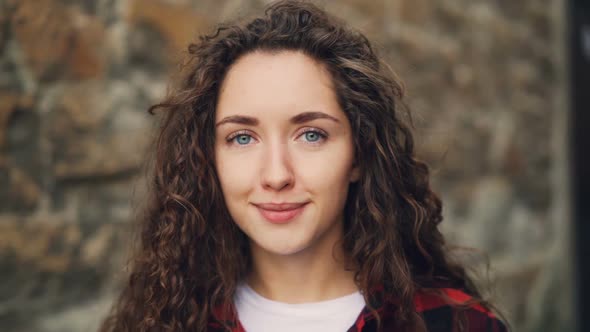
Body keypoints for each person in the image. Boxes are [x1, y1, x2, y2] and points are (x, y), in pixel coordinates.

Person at [100, 1, 508, 331]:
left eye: (311, 134)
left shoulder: (458, 324)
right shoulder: (164, 321)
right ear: (210, 159)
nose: (276, 175)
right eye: (242, 137)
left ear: (360, 156)